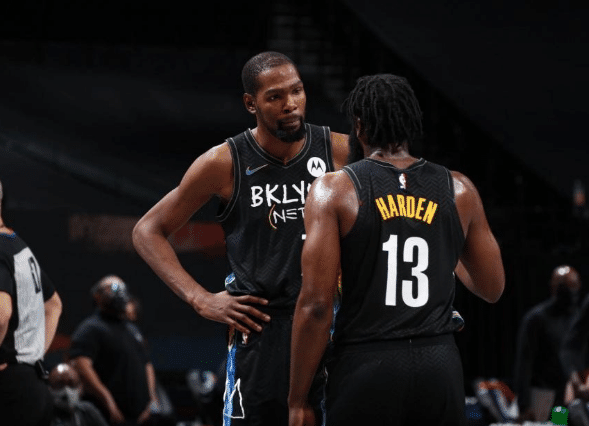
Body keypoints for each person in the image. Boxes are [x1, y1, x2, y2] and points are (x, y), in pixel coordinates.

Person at [132, 51, 349, 426]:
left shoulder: (340, 151)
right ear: (251, 103)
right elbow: (147, 231)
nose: (290, 104)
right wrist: (200, 299)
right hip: (261, 331)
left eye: (296, 91)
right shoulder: (223, 162)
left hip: (329, 325)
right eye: (275, 96)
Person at [287, 74, 505, 426]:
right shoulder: (459, 189)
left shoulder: (334, 189)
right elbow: (491, 287)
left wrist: (297, 400)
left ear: (359, 126)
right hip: (439, 366)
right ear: (410, 123)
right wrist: (441, 250)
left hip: (367, 364)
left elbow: (315, 305)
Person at [0, 179, 63, 426]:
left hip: (9, 390)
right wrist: (32, 358)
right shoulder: (16, 245)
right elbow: (54, 305)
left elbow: (2, 314)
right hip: (32, 385)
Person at [69, 275, 159, 425]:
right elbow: (81, 366)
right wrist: (108, 401)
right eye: (112, 288)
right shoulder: (90, 328)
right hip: (108, 416)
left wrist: (151, 399)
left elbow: (147, 364)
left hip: (141, 417)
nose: (119, 292)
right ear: (97, 295)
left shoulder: (132, 330)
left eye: (122, 288)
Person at [513, 265, 582, 421]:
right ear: (553, 287)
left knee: (560, 423)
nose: (570, 292)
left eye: (573, 286)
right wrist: (524, 404)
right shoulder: (536, 319)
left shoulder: (577, 319)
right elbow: (524, 362)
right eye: (564, 287)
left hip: (565, 396)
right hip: (541, 395)